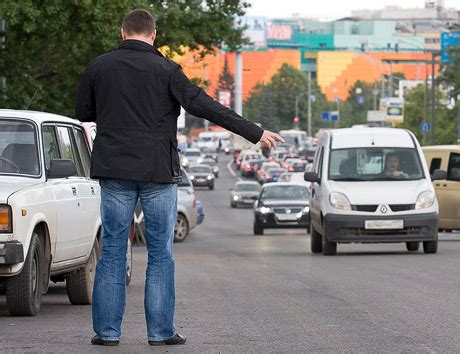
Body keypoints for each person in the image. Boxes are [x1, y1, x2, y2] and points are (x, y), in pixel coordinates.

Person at [75, 9, 283, 347]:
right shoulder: (168, 70)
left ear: (122, 32)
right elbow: (206, 107)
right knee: (160, 252)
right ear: (154, 34)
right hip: (158, 171)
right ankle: (160, 332)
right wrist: (254, 132)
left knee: (112, 249)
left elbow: (84, 112)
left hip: (113, 169)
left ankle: (107, 333)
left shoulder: (99, 67)